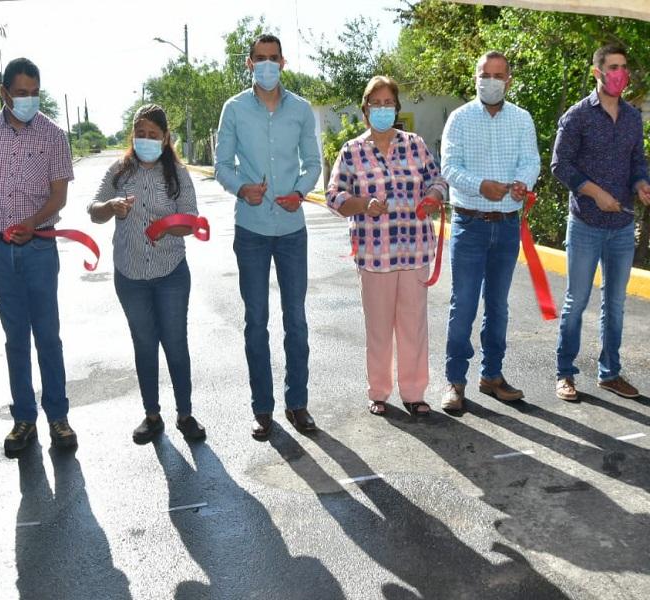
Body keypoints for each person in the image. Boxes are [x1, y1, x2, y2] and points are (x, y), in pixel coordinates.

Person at [0, 57, 77, 454]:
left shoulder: (53, 135)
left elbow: (59, 195)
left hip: (41, 247)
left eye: (33, 93)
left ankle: (58, 417)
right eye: (20, 93)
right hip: (1, 254)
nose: (28, 100)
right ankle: (24, 419)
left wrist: (32, 222)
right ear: (4, 92)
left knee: (48, 336)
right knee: (15, 339)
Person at [215, 33, 321, 440]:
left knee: (296, 319)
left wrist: (300, 190)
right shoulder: (235, 109)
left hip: (292, 230)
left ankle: (298, 404)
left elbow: (313, 162)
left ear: (283, 62)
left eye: (273, 58)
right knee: (256, 321)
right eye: (260, 58)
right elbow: (223, 163)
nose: (267, 65)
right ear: (249, 64)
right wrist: (242, 187)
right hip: (253, 230)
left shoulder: (301, 109)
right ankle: (262, 409)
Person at [326, 76, 447, 417]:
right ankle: (378, 391)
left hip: (414, 250)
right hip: (374, 254)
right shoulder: (351, 151)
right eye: (375, 104)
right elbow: (335, 196)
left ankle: (414, 393)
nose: (382, 109)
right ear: (365, 110)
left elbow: (436, 179)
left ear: (396, 108)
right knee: (378, 327)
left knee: (413, 326)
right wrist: (363, 204)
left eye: (387, 103)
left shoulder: (416, 145)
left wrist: (434, 195)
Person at [88, 104, 206, 444]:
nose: (146, 140)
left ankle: (185, 414)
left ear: (165, 138)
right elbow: (93, 210)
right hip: (130, 275)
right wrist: (110, 208)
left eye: (153, 135)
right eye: (140, 134)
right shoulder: (118, 171)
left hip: (170, 273)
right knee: (144, 344)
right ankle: (152, 415)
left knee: (175, 343)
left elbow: (191, 220)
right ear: (133, 135)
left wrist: (169, 226)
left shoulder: (178, 174)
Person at [440, 51, 540, 412]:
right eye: (486, 74)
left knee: (498, 306)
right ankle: (454, 381)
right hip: (470, 225)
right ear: (476, 77)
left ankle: (492, 375)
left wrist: (521, 183)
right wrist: (480, 185)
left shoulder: (521, 119)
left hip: (507, 225)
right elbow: (449, 167)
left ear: (509, 80)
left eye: (499, 75)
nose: (492, 81)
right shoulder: (459, 118)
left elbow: (531, 160)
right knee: (463, 305)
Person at [551, 44, 650, 402]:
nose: (620, 73)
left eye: (624, 66)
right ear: (597, 72)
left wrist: (641, 183)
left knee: (615, 303)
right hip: (586, 224)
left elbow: (638, 160)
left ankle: (610, 373)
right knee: (576, 301)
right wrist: (593, 192)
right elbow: (560, 165)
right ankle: (565, 373)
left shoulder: (632, 117)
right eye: (613, 67)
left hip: (622, 227)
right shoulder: (577, 116)